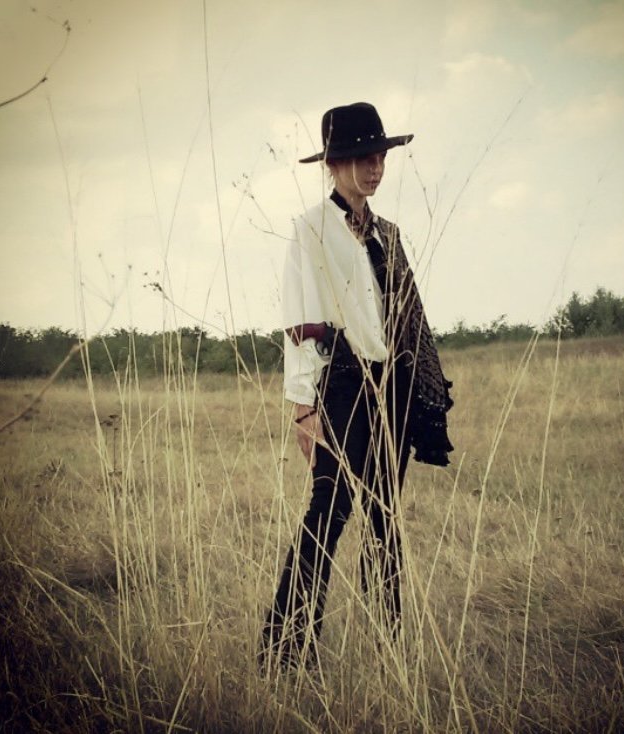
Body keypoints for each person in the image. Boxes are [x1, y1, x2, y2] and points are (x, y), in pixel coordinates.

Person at [260, 102, 453, 672]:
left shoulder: (388, 234)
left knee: (385, 517)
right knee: (328, 511)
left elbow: (405, 319)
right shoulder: (311, 229)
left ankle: (388, 644)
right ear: (334, 164)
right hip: (341, 386)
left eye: (380, 157)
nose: (375, 168)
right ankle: (286, 650)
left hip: (391, 388)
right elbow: (299, 322)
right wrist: (303, 407)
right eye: (363, 158)